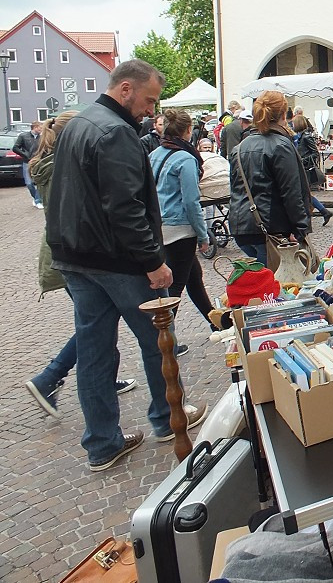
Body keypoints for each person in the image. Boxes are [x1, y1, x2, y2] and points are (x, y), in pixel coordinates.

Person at [47, 59, 207, 471]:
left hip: (76, 257)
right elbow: (125, 207)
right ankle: (167, 417)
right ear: (125, 90)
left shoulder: (79, 123)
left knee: (94, 349)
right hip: (115, 258)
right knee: (159, 338)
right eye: (149, 100)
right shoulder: (114, 131)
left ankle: (102, 442)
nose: (151, 111)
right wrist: (153, 261)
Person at [25, 112, 137, 419]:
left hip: (64, 252)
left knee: (97, 324)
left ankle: (101, 383)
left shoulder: (47, 167)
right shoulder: (63, 169)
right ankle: (50, 376)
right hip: (78, 253)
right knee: (95, 326)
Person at [150, 109, 215, 337]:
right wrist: (203, 235)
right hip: (179, 229)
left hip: (161, 225)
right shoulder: (186, 159)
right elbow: (191, 201)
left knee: (194, 278)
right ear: (188, 131)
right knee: (176, 285)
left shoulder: (156, 153)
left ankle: (216, 321)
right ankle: (163, 340)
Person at [229, 90, 312, 266]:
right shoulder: (281, 145)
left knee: (261, 281)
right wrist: (301, 229)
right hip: (269, 227)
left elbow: (236, 188)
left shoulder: (240, 147)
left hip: (241, 226)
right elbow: (291, 192)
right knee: (277, 286)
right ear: (284, 114)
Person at [292, 115, 332, 226]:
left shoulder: (306, 137)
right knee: (305, 194)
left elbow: (315, 153)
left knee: (304, 194)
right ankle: (324, 212)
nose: (293, 125)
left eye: (294, 123)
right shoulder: (300, 137)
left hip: (306, 170)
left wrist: (302, 160)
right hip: (303, 169)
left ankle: (321, 212)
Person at [14, 120, 42, 207]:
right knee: (29, 183)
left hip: (38, 162)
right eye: (40, 128)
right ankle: (35, 198)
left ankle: (38, 201)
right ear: (35, 127)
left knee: (40, 182)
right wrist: (25, 155)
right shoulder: (23, 136)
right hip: (27, 162)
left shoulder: (41, 137)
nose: (41, 130)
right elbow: (15, 147)